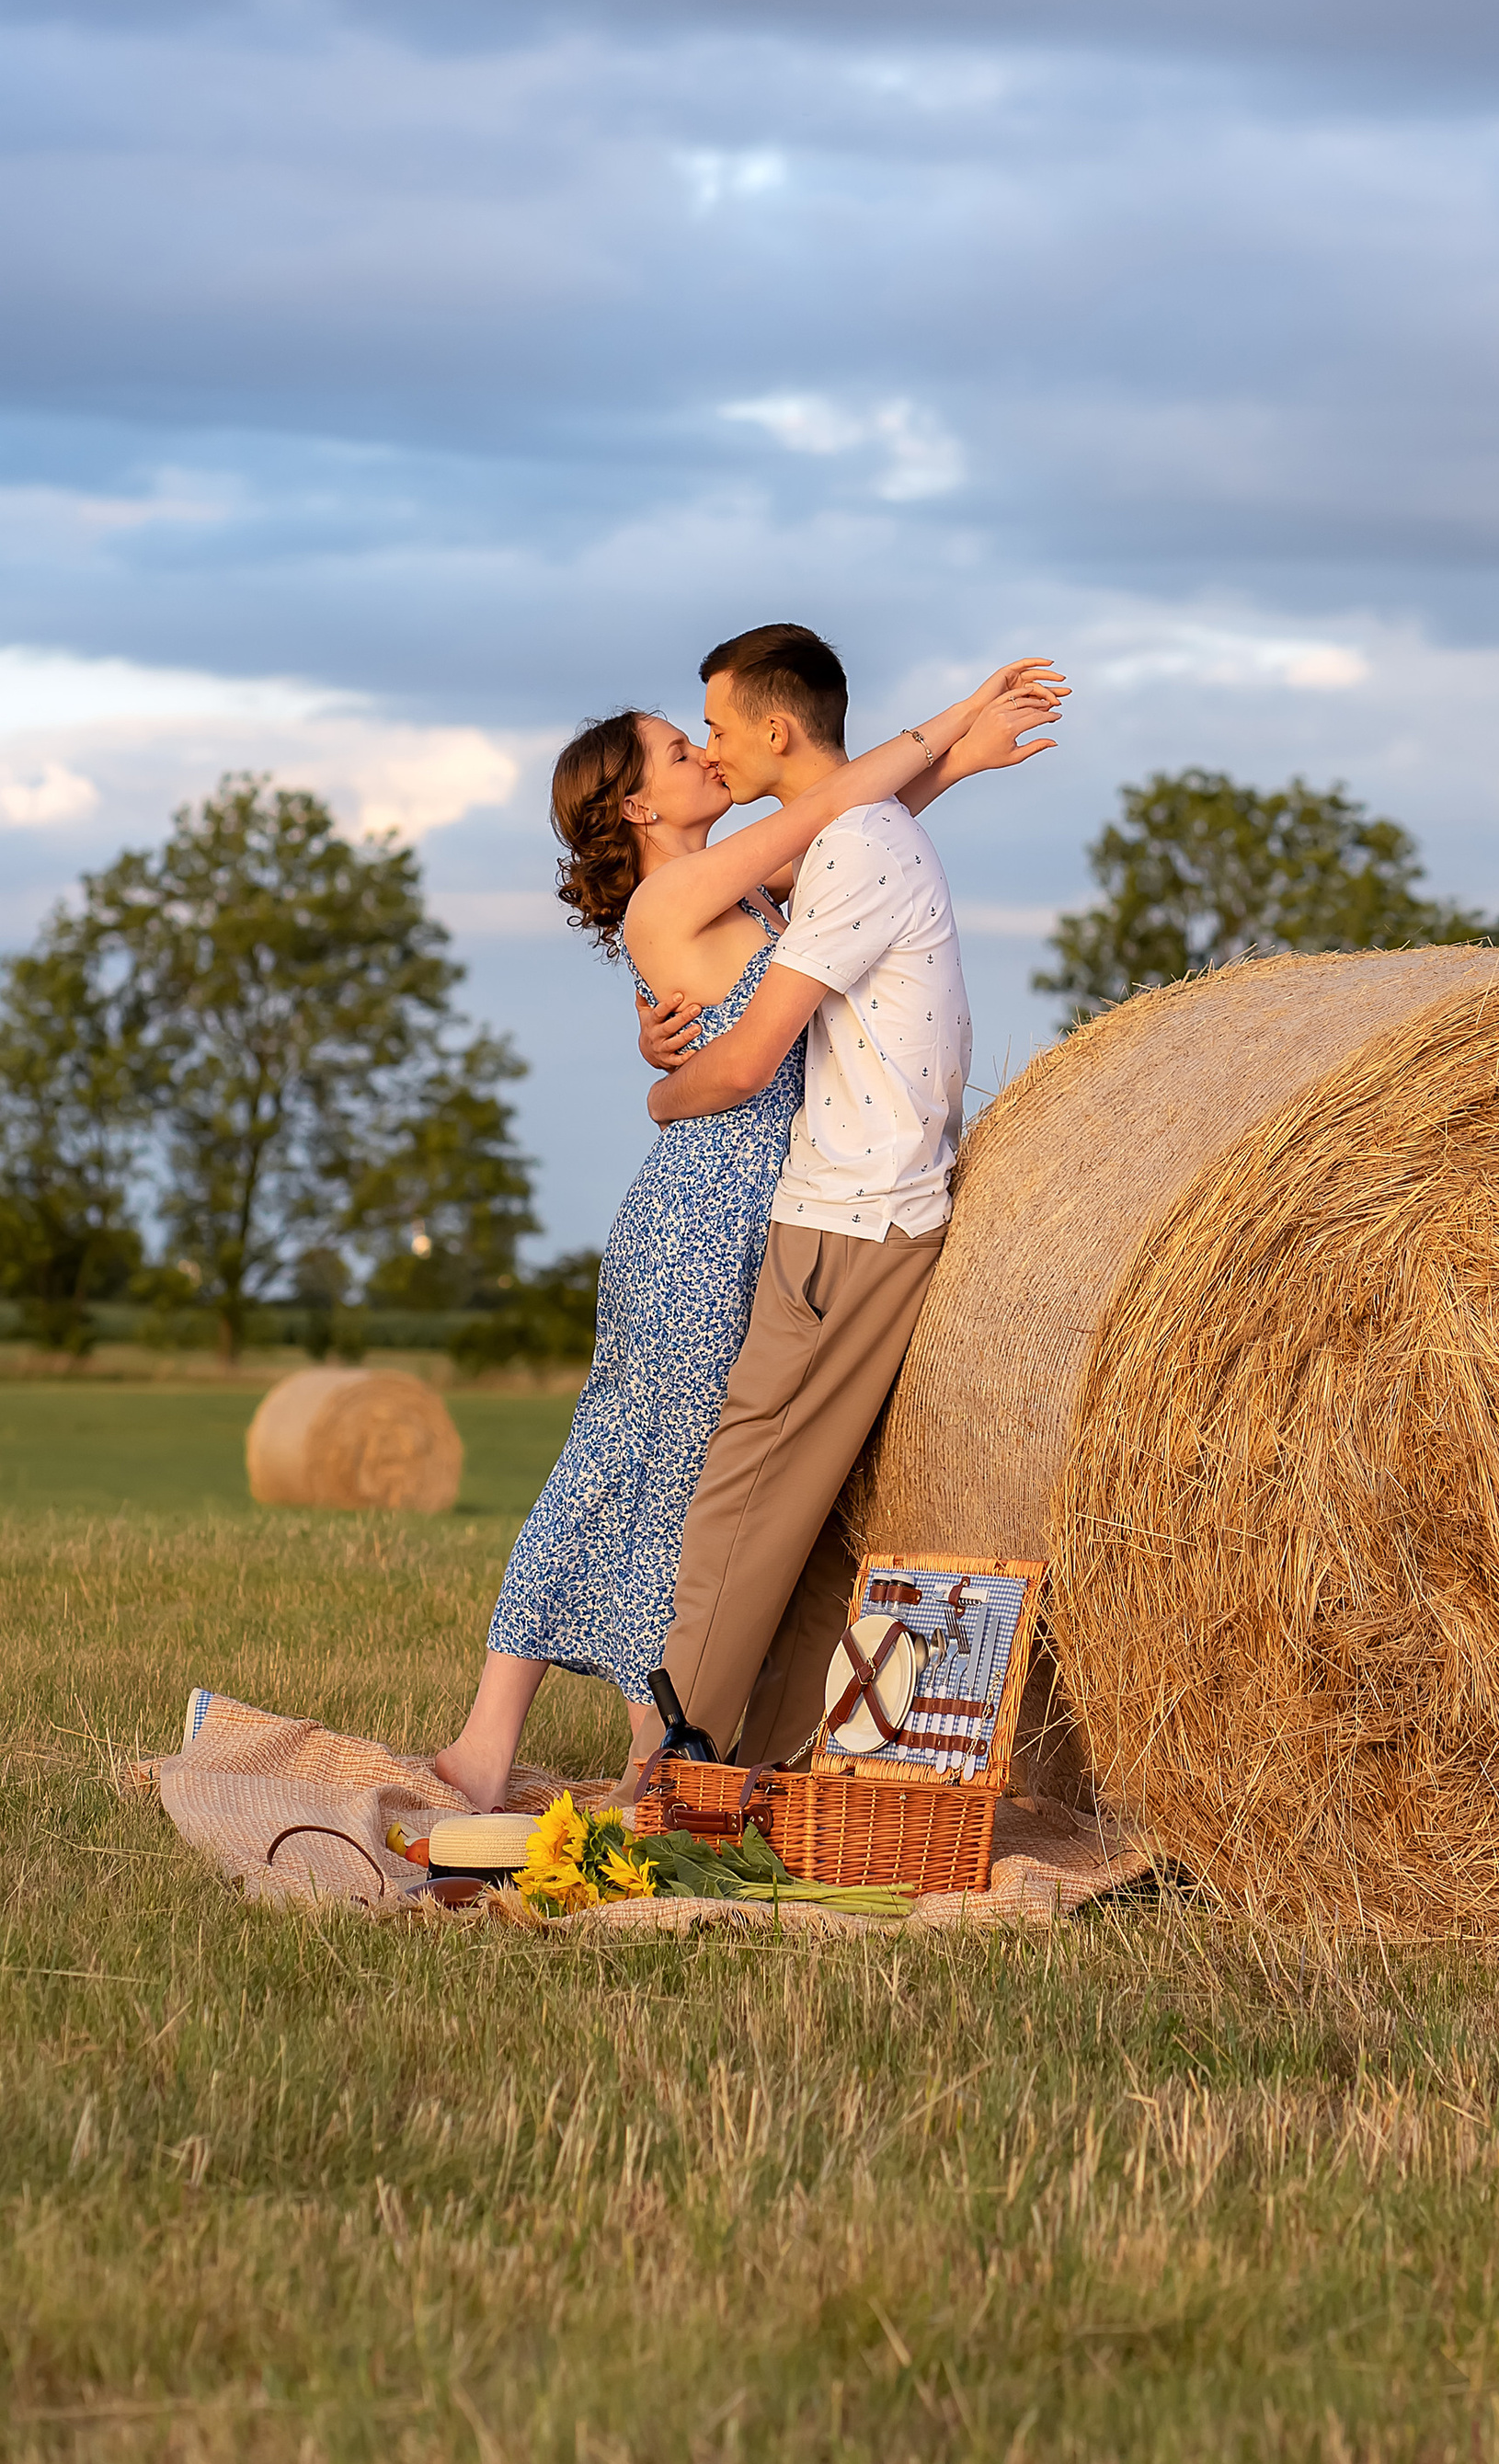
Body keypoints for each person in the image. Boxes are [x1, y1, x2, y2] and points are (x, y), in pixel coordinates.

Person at [431, 642, 1061, 1812]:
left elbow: (849, 838)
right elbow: (828, 801)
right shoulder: (675, 896)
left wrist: (953, 763)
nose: (704, 752)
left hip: (753, 1206)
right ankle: (504, 1741)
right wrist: (945, 727)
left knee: (676, 1481)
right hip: (703, 1214)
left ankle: (632, 1740)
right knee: (641, 1473)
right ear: (637, 804)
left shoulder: (738, 883)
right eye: (681, 749)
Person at [626, 619, 993, 1793]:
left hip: (845, 1216)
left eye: (720, 729)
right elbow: (834, 823)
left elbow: (742, 1061)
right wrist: (956, 748)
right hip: (857, 1206)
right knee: (799, 1494)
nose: (714, 752)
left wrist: (660, 1092)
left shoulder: (856, 847)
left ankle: (681, 1764)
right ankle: (762, 1754)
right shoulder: (856, 837)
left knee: (746, 1482)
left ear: (775, 728)